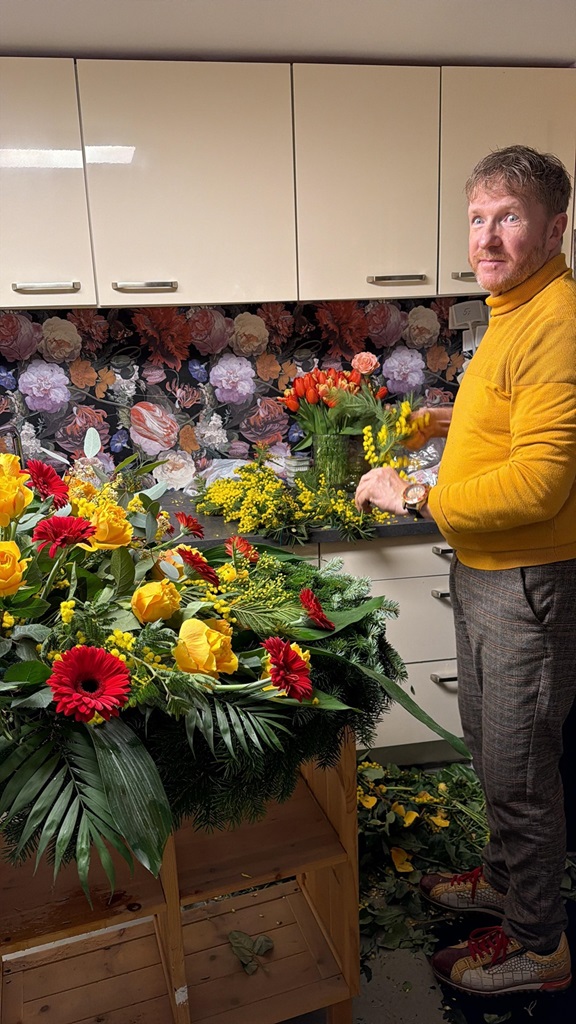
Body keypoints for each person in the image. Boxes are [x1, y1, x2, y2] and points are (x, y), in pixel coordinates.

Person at [355, 144, 576, 997]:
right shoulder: (514, 307)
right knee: (491, 752)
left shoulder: (556, 319)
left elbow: (541, 482)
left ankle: (540, 947)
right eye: (478, 217)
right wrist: (445, 419)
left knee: (521, 773)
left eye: (509, 217)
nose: (485, 236)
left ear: (554, 229)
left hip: (527, 581)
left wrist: (415, 491)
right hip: (489, 570)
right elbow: (519, 415)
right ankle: (504, 881)